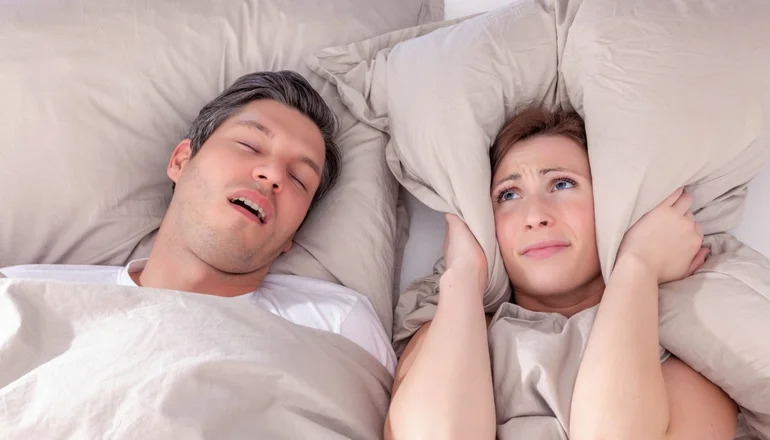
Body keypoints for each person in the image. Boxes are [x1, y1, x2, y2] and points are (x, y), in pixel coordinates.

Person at [0, 70, 396, 375]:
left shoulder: (335, 326)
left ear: (292, 234)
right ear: (181, 161)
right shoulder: (22, 298)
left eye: (298, 179)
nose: (273, 174)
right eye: (250, 145)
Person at [385, 107, 737, 439]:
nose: (535, 215)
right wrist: (463, 273)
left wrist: (637, 265)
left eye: (562, 184)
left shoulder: (681, 345)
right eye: (508, 195)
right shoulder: (451, 326)